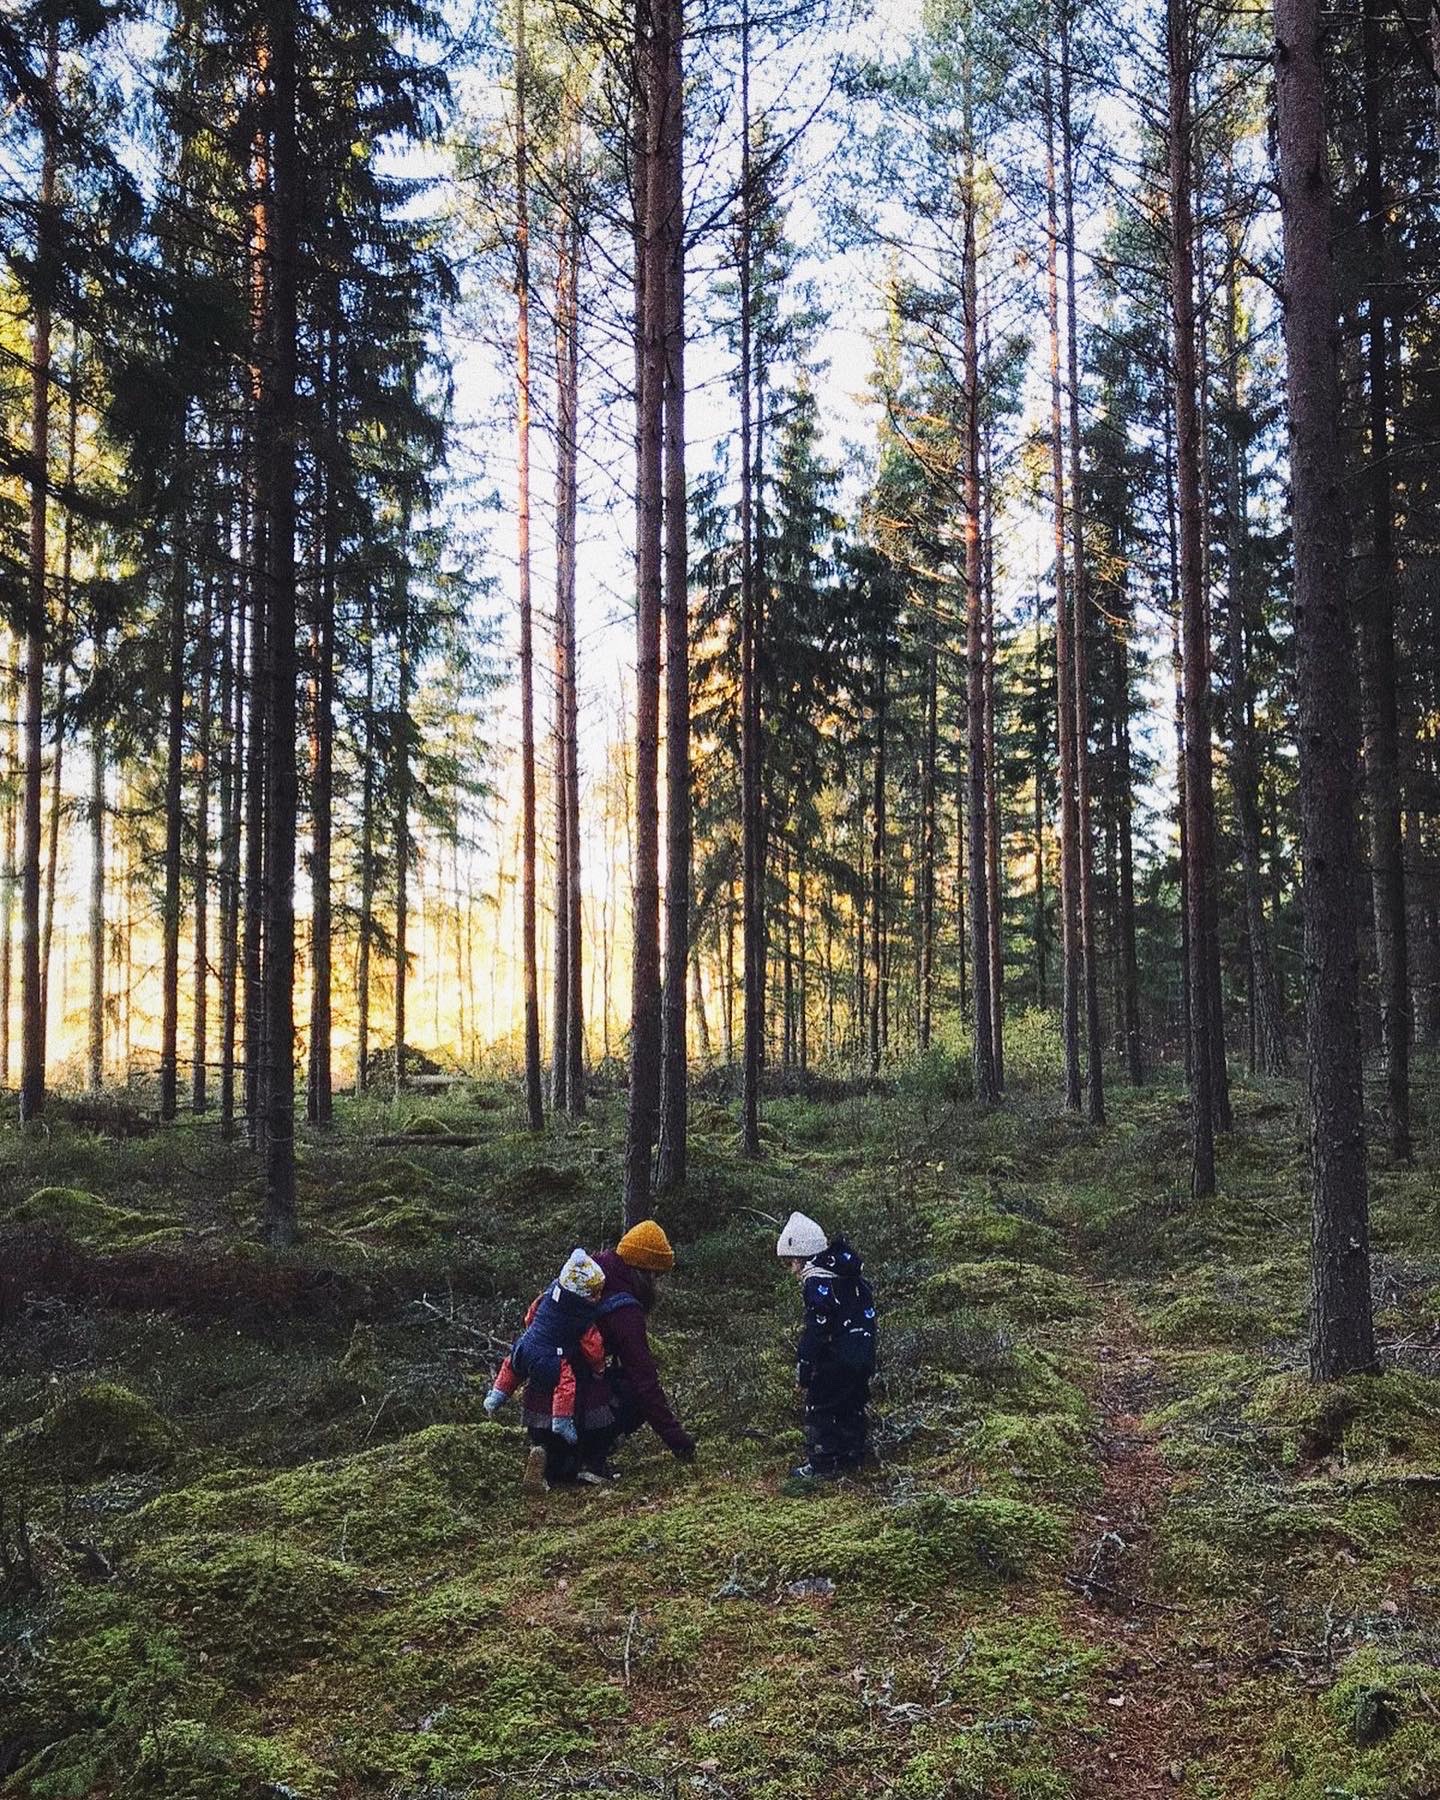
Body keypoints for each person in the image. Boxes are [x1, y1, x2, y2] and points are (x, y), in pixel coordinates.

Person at [777, 1210, 877, 1480]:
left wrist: (805, 1364)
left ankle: (822, 1464)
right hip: (863, 1352)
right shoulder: (850, 1276)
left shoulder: (817, 1281)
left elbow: (817, 1329)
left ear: (801, 1257)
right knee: (852, 1403)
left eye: (790, 1263)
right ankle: (853, 1456)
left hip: (836, 1357)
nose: (792, 1271)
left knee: (820, 1407)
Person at [483, 1248, 606, 1448]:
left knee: (511, 1367)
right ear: (580, 1295)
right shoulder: (582, 1315)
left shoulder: (550, 1294)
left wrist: (535, 1330)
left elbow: (530, 1315)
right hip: (549, 1356)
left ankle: (497, 1395)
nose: (599, 1297)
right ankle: (562, 1420)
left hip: (526, 1343)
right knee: (565, 1384)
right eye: (594, 1294)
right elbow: (593, 1346)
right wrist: (599, 1369)